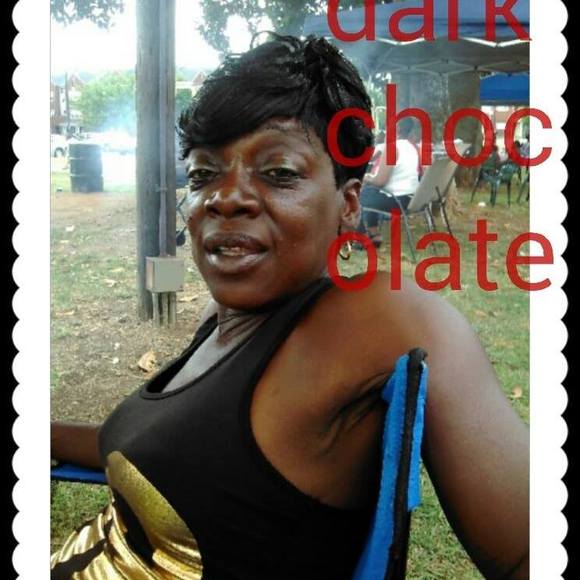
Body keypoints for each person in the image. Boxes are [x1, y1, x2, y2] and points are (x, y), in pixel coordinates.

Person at [51, 35, 529, 579]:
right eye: (203, 174)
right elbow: (167, 451)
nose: (224, 197)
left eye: (278, 172)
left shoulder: (379, 318)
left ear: (348, 203)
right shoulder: (224, 320)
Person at [357, 118, 421, 247]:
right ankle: (374, 234)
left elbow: (380, 182)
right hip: (410, 199)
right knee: (370, 191)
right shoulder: (412, 147)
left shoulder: (392, 148)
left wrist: (366, 178)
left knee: (354, 196)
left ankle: (361, 238)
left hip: (395, 202)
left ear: (397, 129)